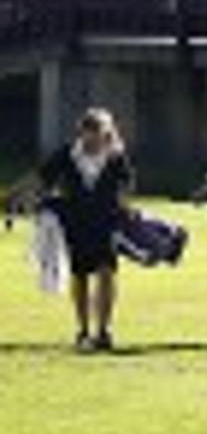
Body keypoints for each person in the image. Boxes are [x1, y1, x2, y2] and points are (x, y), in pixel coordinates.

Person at [37, 107, 134, 352]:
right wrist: (18, 197)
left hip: (105, 222)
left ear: (106, 133)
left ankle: (104, 330)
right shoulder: (67, 154)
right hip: (76, 221)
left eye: (97, 132)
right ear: (81, 131)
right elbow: (42, 179)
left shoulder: (116, 156)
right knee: (80, 275)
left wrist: (126, 206)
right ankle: (82, 330)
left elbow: (126, 185)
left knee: (107, 273)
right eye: (87, 132)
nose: (91, 138)